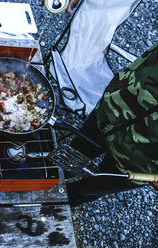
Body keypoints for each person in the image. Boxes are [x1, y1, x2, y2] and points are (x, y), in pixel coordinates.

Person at [38, 0, 158, 206]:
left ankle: (56, 206)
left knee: (89, 189)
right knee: (72, 154)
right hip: (116, 105)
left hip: (142, 162)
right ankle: (47, 181)